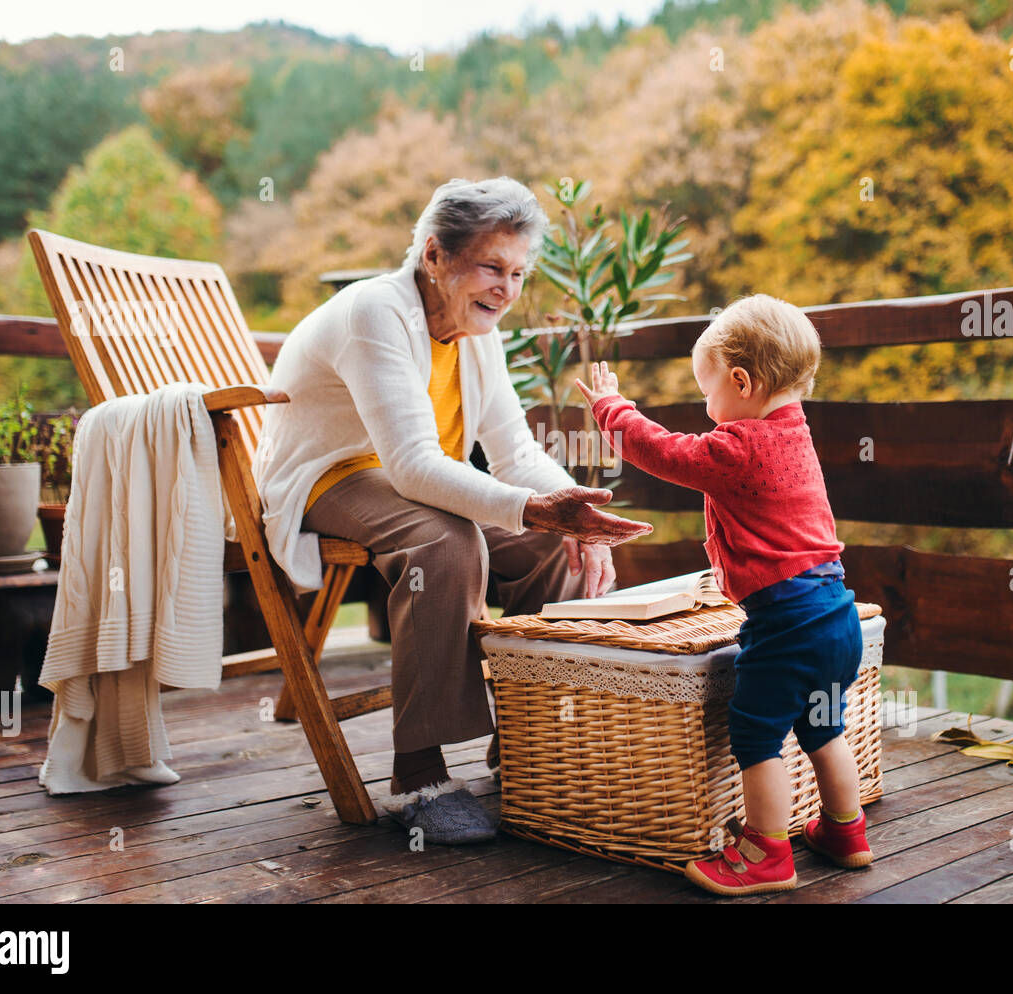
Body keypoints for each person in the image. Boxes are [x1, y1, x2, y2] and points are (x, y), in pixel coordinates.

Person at [255, 176, 652, 844]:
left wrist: (577, 522)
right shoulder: (374, 312)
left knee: (554, 546)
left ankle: (529, 739)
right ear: (436, 257)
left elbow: (517, 454)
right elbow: (411, 464)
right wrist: (531, 508)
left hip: (408, 478)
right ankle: (420, 776)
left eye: (519, 273)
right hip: (329, 475)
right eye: (492, 267)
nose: (507, 288)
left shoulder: (476, 328)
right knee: (445, 540)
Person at [575, 294, 871, 897]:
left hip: (785, 620)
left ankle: (766, 852)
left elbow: (665, 452)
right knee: (823, 724)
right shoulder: (796, 436)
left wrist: (613, 411)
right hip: (835, 614)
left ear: (743, 380)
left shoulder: (740, 447)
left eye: (707, 392)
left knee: (757, 732)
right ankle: (846, 830)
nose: (708, 409)